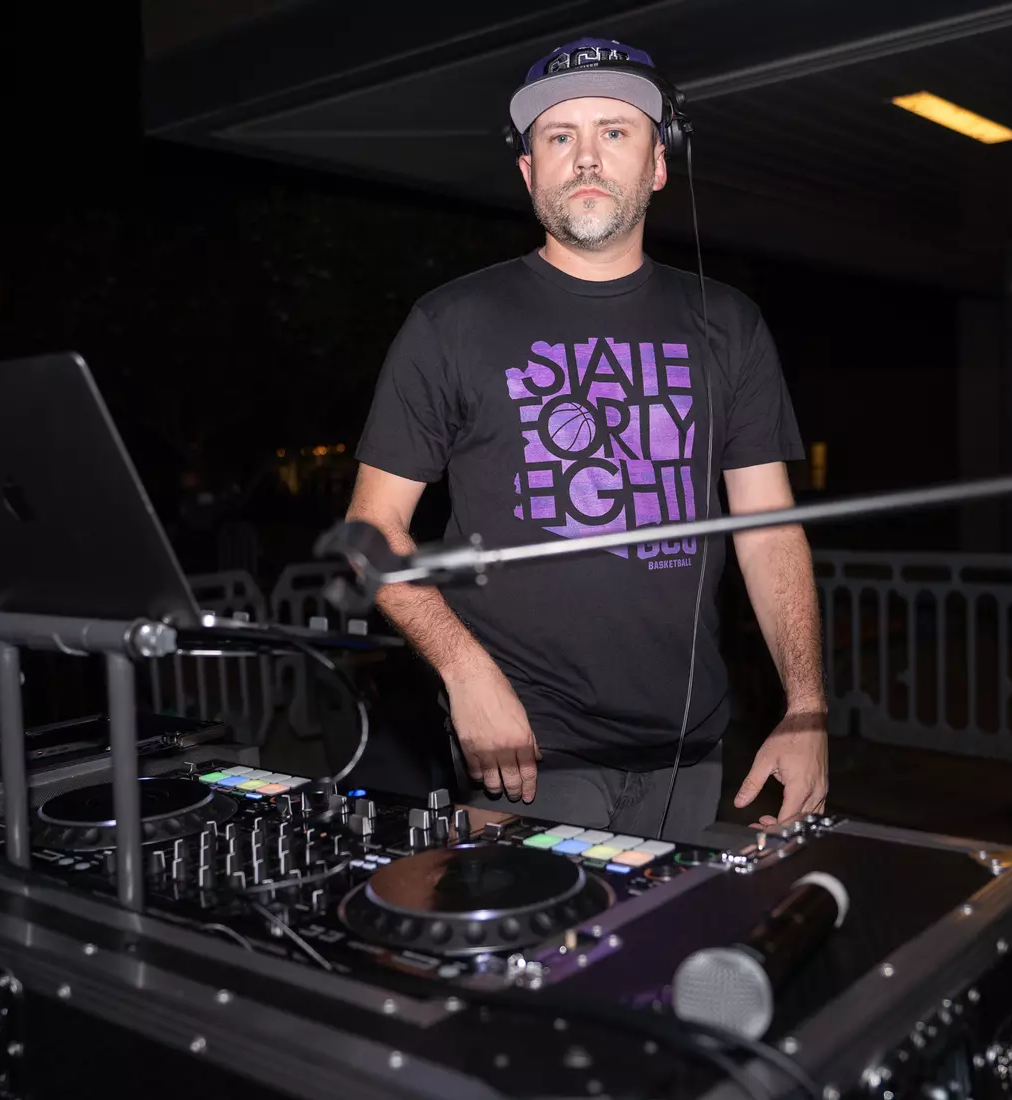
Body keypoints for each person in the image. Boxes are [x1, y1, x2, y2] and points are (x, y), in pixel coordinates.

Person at [345, 38, 827, 837]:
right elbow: (371, 531)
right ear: (530, 172)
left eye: (615, 131)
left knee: (665, 958)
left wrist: (807, 708)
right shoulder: (450, 323)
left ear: (659, 165)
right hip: (529, 754)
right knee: (541, 960)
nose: (586, 157)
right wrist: (466, 675)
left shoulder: (731, 325)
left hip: (689, 749)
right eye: (559, 137)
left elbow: (769, 529)